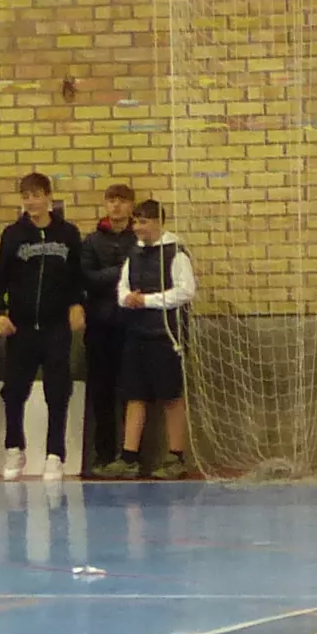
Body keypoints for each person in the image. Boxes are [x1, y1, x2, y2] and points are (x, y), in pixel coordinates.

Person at [0, 174, 83, 481]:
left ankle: (55, 454)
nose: (31, 201)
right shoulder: (13, 235)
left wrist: (77, 304)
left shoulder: (68, 234)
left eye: (36, 195)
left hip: (56, 327)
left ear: (49, 197)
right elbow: (0, 278)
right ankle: (14, 448)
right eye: (25, 196)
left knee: (58, 391)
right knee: (15, 391)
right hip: (22, 327)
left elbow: (76, 277)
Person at [104, 198, 198, 480]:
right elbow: (121, 288)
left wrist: (148, 300)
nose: (138, 227)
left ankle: (176, 456)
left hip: (166, 335)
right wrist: (128, 299)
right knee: (135, 395)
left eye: (143, 222)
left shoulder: (176, 253)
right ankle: (129, 456)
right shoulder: (134, 253)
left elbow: (186, 291)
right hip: (136, 333)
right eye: (136, 222)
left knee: (171, 396)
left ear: (158, 222)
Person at [74, 185, 139, 472]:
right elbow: (87, 278)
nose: (116, 206)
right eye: (111, 201)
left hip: (133, 325)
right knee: (101, 393)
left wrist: (116, 276)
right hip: (100, 325)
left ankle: (131, 456)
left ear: (131, 206)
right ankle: (103, 455)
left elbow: (145, 275)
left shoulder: (140, 239)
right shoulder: (91, 242)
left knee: (133, 392)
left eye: (122, 201)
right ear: (105, 205)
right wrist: (123, 272)